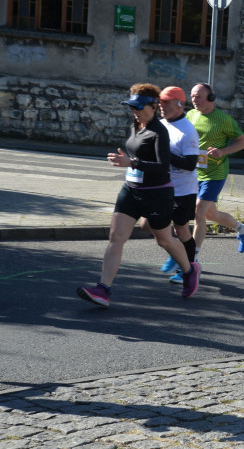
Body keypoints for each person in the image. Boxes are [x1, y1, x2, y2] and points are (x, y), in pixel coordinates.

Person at [78, 84, 200, 307]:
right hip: (131, 190)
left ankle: (189, 270)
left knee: (164, 239)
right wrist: (128, 158)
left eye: (139, 107)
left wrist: (132, 162)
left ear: (153, 107)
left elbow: (163, 167)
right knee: (116, 238)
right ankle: (103, 290)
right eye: (132, 106)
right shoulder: (136, 124)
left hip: (157, 193)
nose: (135, 111)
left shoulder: (159, 131)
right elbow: (137, 152)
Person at [188, 83, 244, 256]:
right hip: (195, 171)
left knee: (199, 212)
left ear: (211, 98)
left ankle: (191, 259)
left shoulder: (223, 120)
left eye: (199, 96)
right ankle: (243, 229)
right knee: (210, 213)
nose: (194, 100)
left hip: (215, 173)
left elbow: (243, 142)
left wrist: (222, 151)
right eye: (193, 96)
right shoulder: (191, 115)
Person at [155, 86, 201, 285]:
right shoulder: (161, 124)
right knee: (148, 224)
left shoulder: (188, 131)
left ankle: (189, 267)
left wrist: (166, 156)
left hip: (183, 190)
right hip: (164, 188)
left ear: (180, 104)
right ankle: (177, 252)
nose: (161, 106)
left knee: (181, 230)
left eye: (166, 102)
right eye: (160, 102)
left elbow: (190, 165)